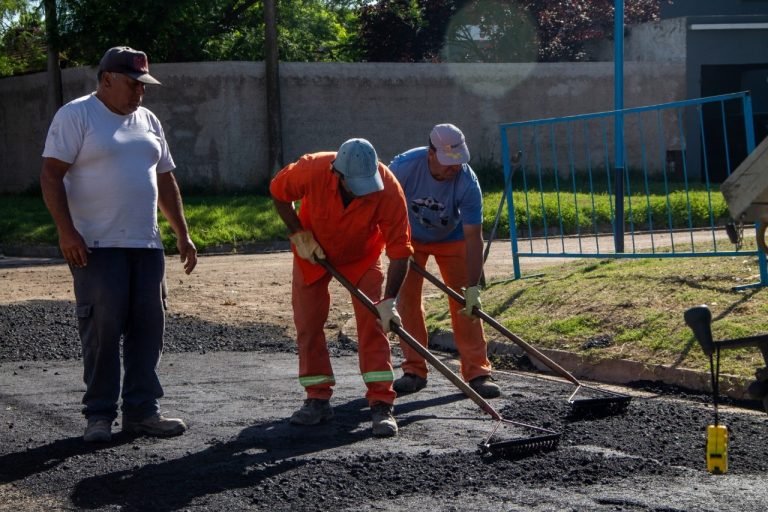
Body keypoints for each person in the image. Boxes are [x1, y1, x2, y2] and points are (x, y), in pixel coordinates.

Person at [40, 46, 198, 443]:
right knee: (102, 329)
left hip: (146, 245)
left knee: (149, 329)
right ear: (107, 79)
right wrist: (66, 231)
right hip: (95, 245)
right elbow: (50, 174)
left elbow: (165, 180)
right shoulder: (76, 115)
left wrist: (182, 232)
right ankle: (99, 415)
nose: (139, 94)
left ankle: (142, 412)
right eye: (133, 84)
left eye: (144, 86)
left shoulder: (148, 120)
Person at [270, 138, 413, 437]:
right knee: (308, 324)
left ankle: (381, 402)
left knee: (373, 323)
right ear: (338, 173)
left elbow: (400, 251)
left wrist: (389, 301)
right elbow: (278, 193)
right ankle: (317, 399)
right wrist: (299, 233)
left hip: (362, 257)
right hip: (314, 253)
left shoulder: (388, 188)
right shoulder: (312, 168)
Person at [388, 123, 500, 399]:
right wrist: (397, 248)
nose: (453, 168)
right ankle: (414, 370)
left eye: (458, 162)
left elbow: (474, 238)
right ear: (430, 153)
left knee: (465, 305)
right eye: (447, 163)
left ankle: (477, 372)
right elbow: (385, 211)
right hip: (410, 238)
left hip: (453, 239)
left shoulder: (467, 182)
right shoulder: (402, 168)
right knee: (408, 301)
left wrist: (473, 287)